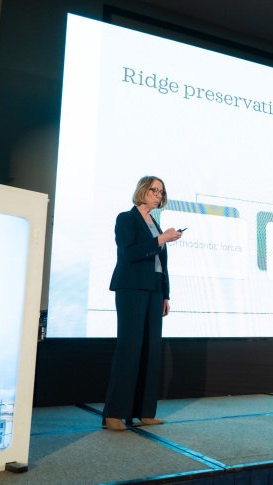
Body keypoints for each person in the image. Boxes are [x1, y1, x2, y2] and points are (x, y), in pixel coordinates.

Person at [102, 176, 183, 431]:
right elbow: (129, 253)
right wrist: (161, 240)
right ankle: (114, 413)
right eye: (154, 190)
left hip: (154, 290)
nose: (158, 195)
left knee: (151, 349)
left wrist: (165, 295)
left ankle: (144, 411)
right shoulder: (126, 219)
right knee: (129, 348)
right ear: (142, 190)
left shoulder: (155, 224)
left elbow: (162, 265)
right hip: (132, 288)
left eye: (161, 192)